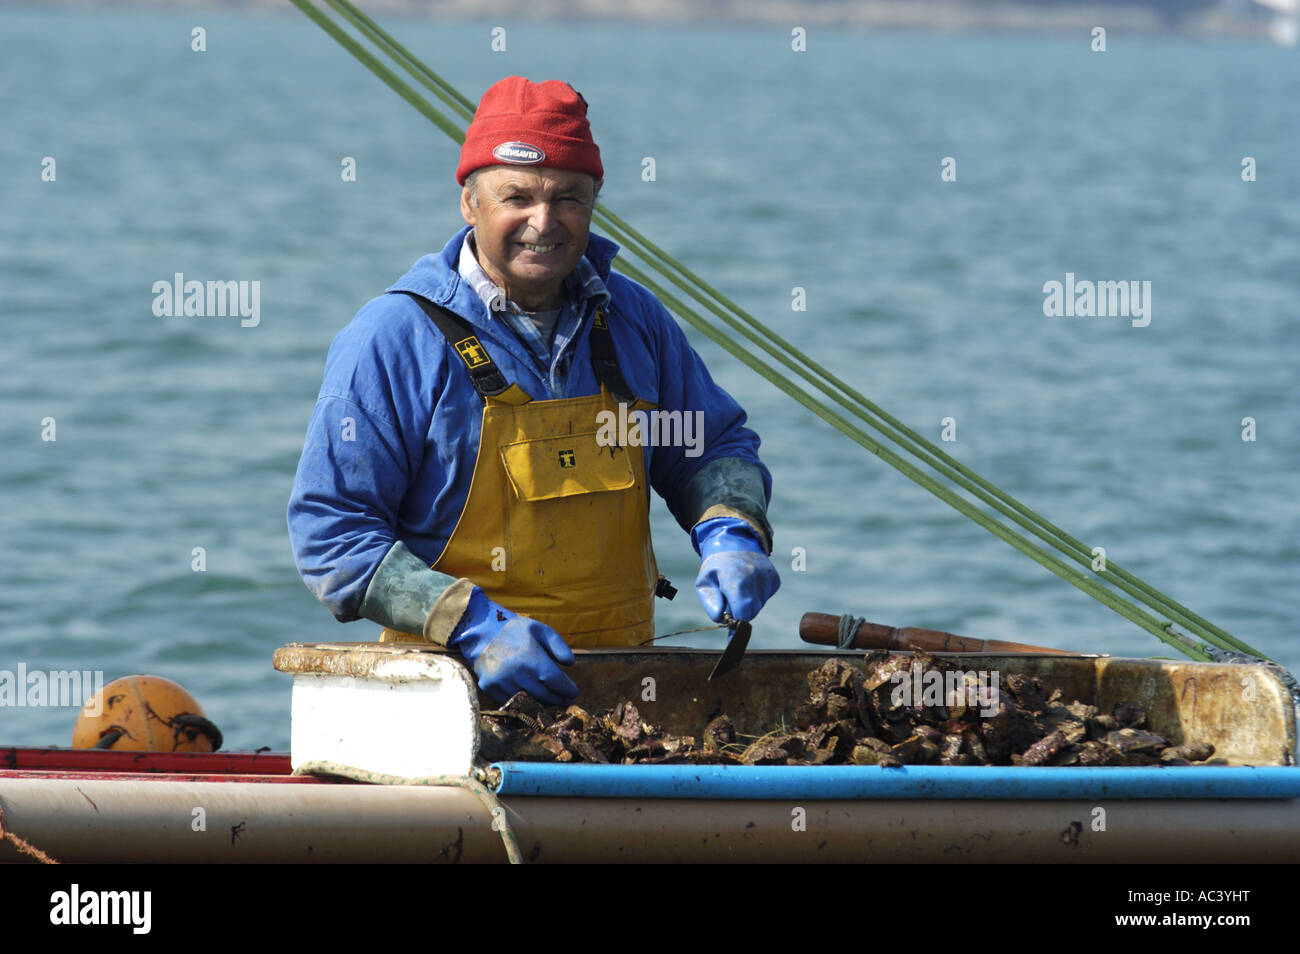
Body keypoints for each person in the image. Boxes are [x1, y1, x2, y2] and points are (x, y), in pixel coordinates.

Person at [287, 76, 779, 707]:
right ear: (469, 204)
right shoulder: (391, 338)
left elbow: (709, 448)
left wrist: (731, 530)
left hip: (624, 695)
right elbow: (333, 533)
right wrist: (472, 627)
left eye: (568, 198)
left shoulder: (635, 320)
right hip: (445, 693)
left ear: (596, 201)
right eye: (515, 196)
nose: (543, 223)